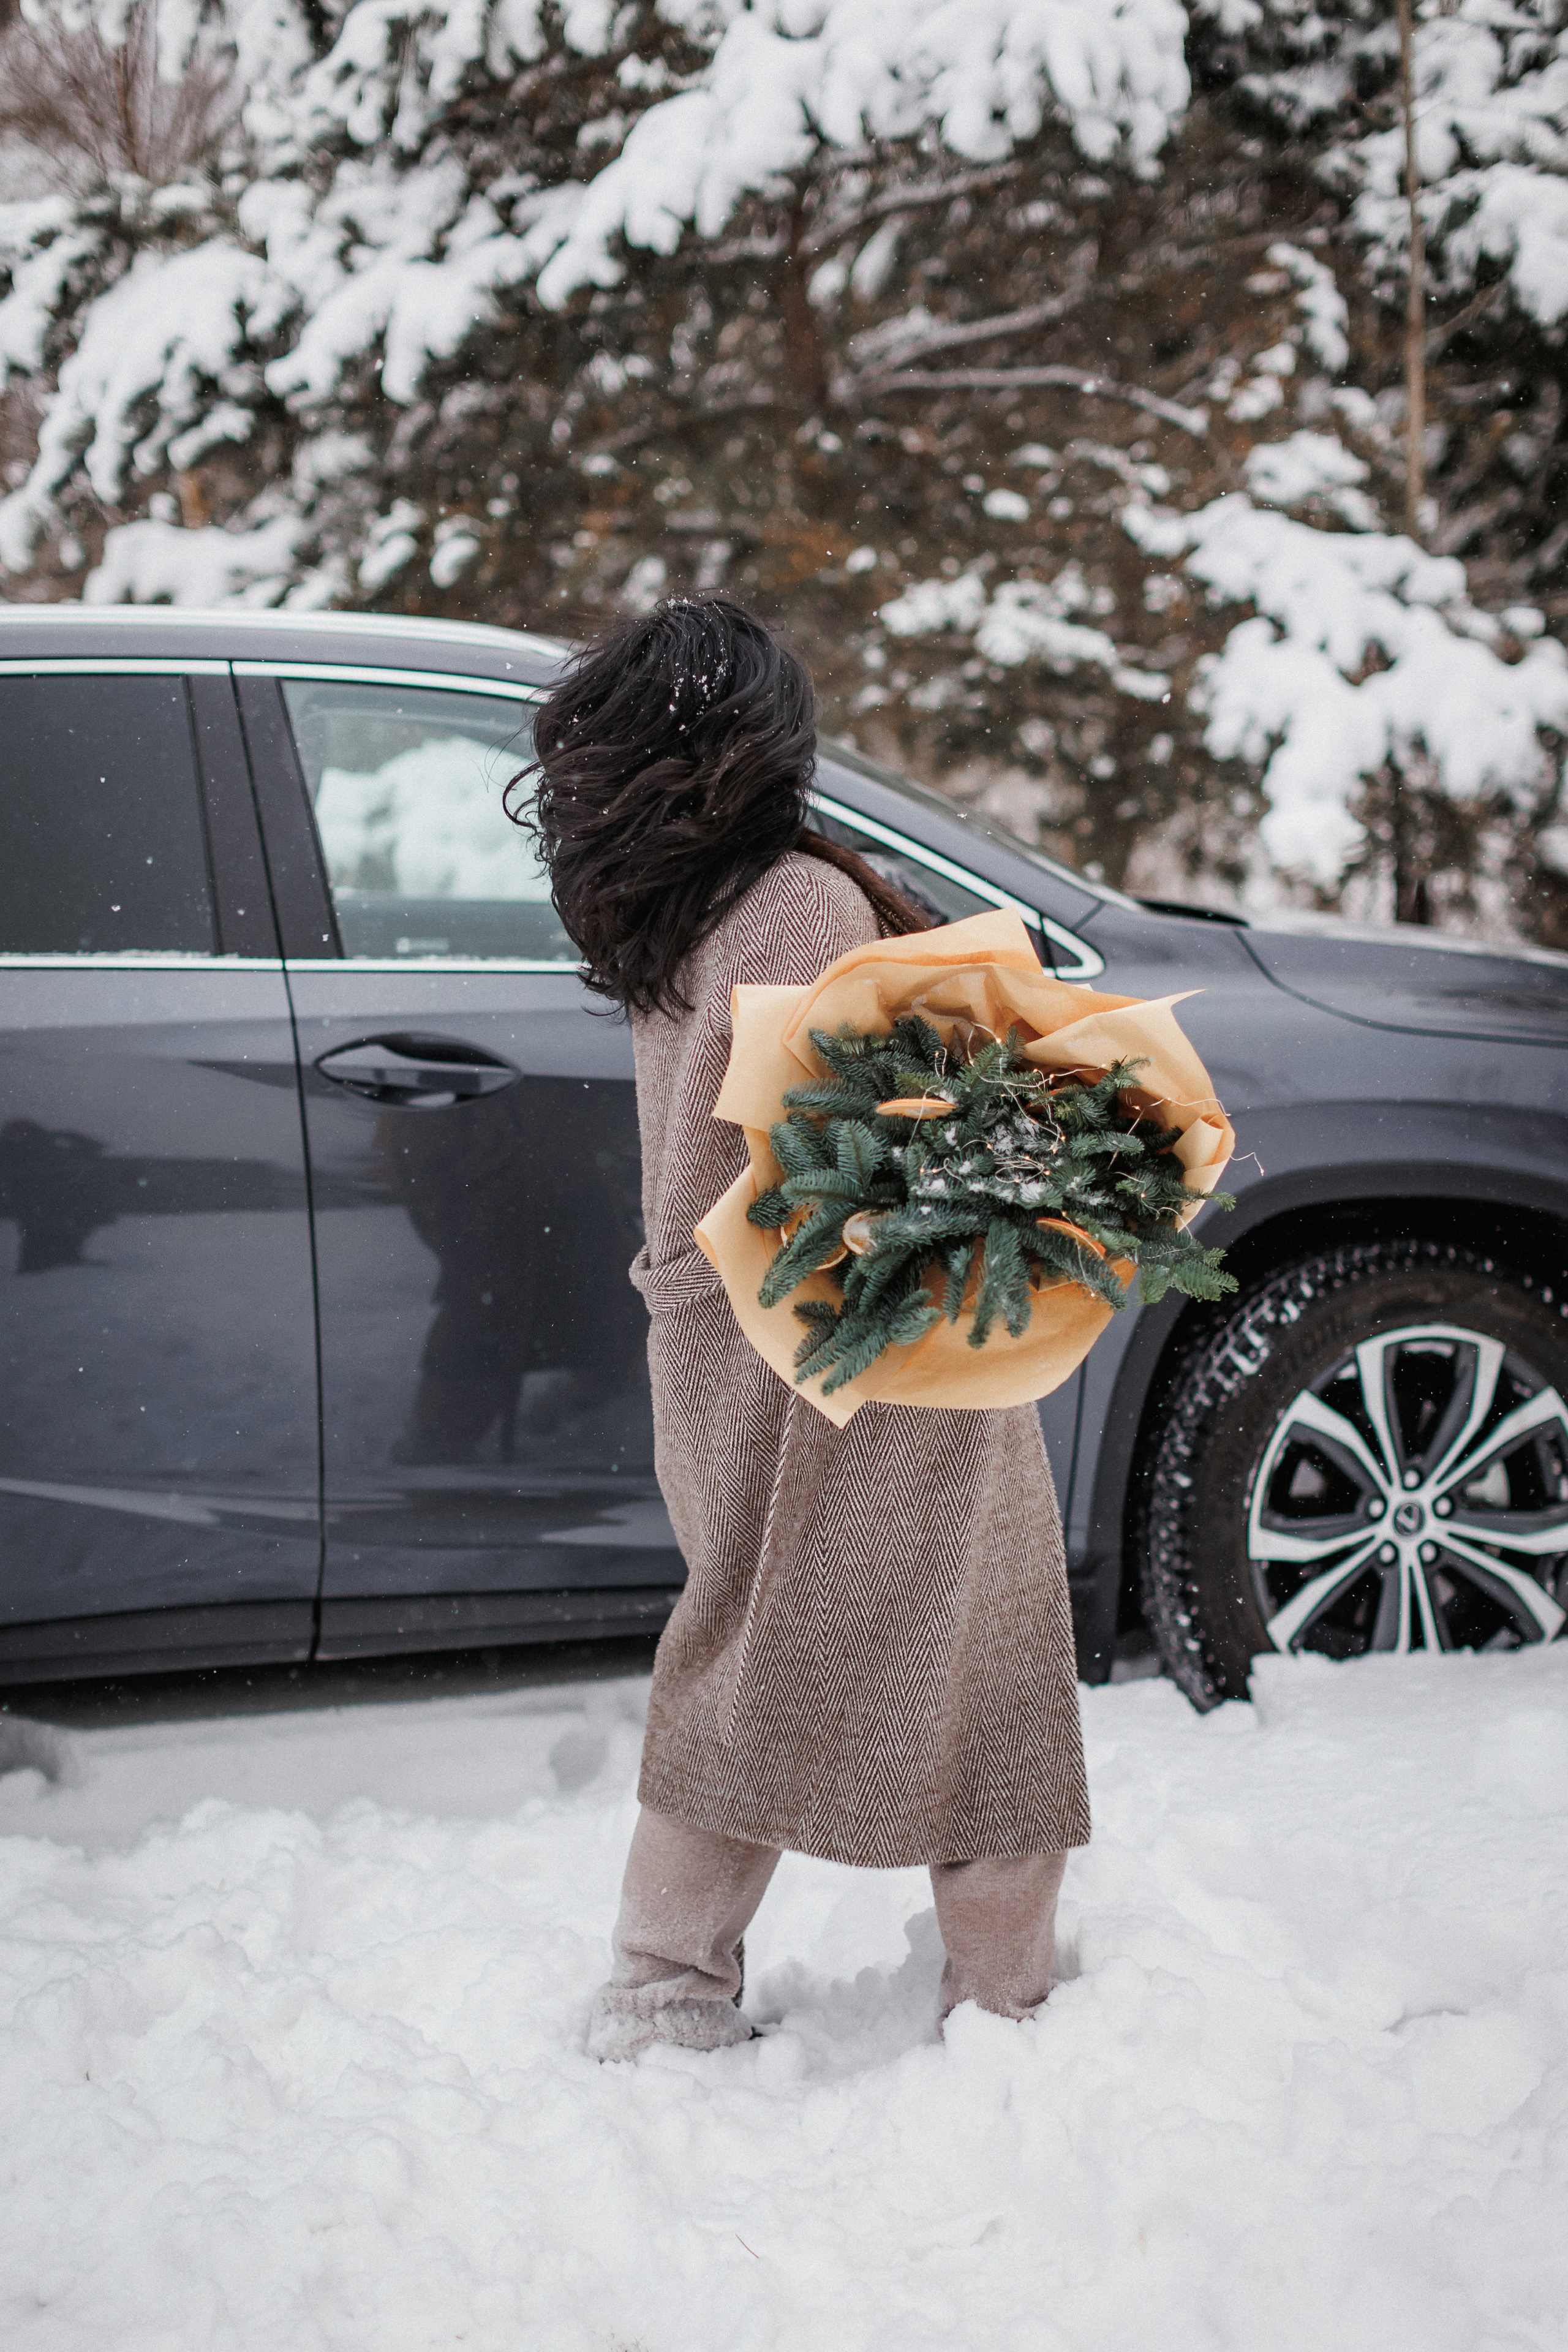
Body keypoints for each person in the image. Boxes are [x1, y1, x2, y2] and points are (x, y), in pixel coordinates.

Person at [521, 598, 1090, 2059]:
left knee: (748, 1654)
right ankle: (1001, 2002)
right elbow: (857, 1152)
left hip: (721, 1348)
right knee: (985, 1659)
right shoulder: (791, 901)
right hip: (857, 1348)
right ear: (748, 744)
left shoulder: (673, 901)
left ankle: (663, 1981)